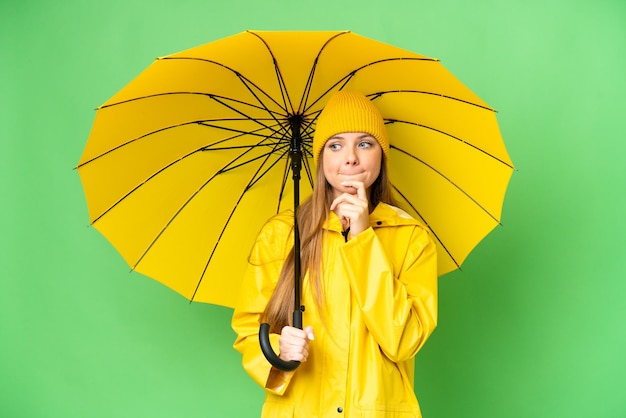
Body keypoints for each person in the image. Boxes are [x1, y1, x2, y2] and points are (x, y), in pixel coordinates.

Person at [231, 90, 438, 417]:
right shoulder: (282, 235)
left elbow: (403, 339)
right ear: (321, 158)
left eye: (365, 143)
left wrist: (362, 236)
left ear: (381, 157)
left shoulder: (411, 237)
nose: (351, 157)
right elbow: (248, 331)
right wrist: (279, 351)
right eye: (336, 145)